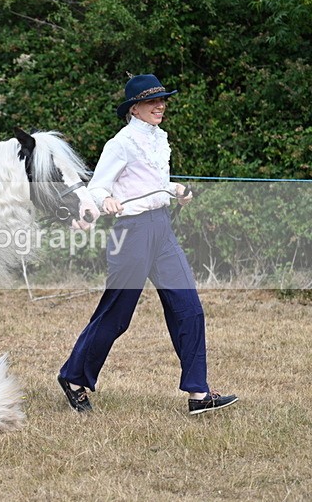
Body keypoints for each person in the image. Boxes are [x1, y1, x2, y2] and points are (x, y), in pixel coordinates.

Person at [57, 73, 238, 415]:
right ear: (135, 108)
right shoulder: (121, 143)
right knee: (117, 315)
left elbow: (153, 182)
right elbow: (97, 187)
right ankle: (73, 377)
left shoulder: (159, 139)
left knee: (189, 308)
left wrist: (174, 190)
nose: (161, 105)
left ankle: (198, 394)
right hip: (132, 233)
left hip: (162, 229)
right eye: (153, 101)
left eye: (162, 99)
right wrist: (106, 199)